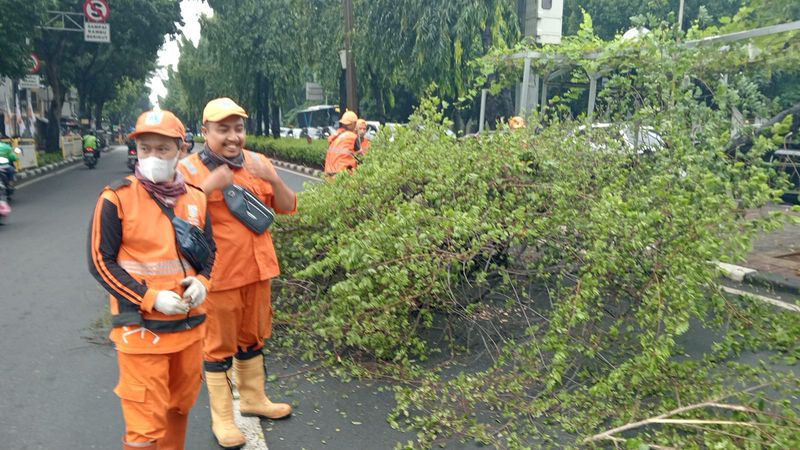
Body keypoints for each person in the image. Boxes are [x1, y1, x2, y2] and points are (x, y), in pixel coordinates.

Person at [88, 110, 216, 450]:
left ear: (182, 148)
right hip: (142, 332)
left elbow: (209, 252)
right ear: (136, 151)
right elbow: (100, 262)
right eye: (146, 149)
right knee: (144, 427)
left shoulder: (197, 198)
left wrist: (204, 281)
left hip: (189, 329)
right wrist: (150, 298)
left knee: (180, 407)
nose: (153, 157)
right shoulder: (116, 199)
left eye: (163, 149)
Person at [177, 97, 297, 449]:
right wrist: (208, 188)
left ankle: (254, 399)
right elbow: (180, 221)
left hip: (259, 272)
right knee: (217, 349)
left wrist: (273, 179)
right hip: (220, 277)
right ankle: (223, 418)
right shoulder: (189, 172)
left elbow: (288, 206)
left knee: (254, 339)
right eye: (222, 129)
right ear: (205, 132)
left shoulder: (259, 162)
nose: (232, 137)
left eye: (238, 128)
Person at [324, 111, 360, 176]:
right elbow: (361, 157)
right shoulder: (353, 137)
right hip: (343, 175)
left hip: (329, 174)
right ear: (353, 124)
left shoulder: (335, 137)